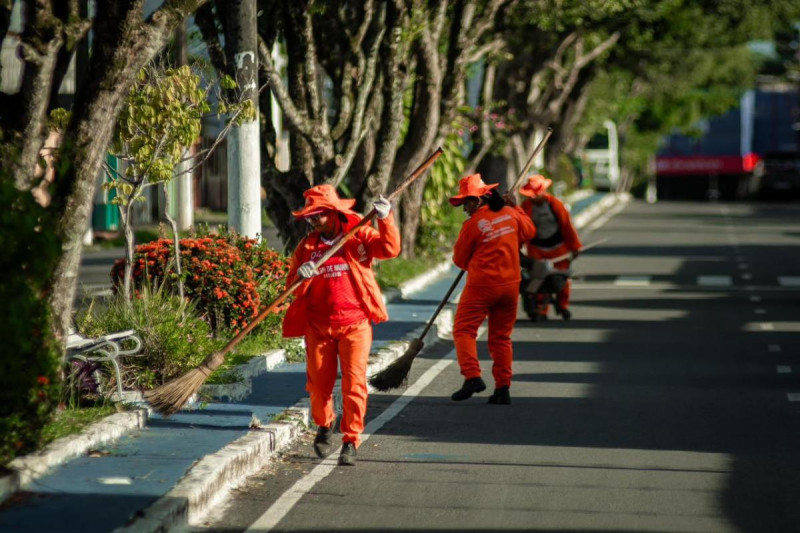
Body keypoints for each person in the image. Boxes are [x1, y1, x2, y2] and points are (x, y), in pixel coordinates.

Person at [282, 184, 400, 466]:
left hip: (355, 325)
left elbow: (389, 249)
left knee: (354, 384)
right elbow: (291, 289)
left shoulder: (358, 235)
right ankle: (324, 426)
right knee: (319, 386)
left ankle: (351, 439)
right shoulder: (307, 247)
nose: (313, 221)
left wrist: (386, 219)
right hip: (318, 327)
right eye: (310, 217)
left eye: (318, 215)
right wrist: (302, 275)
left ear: (334, 213)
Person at [449, 173, 536, 405]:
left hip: (481, 287)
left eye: (466, 202)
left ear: (478, 201)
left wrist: (475, 262)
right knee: (501, 337)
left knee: (464, 331)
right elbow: (529, 233)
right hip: (510, 286)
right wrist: (516, 208)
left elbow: (459, 260)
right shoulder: (511, 214)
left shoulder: (472, 225)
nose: (464, 208)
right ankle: (502, 388)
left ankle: (472, 376)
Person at [519, 174, 582, 320]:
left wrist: (575, 247)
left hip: (558, 247)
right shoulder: (526, 207)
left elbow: (567, 227)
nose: (534, 197)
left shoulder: (555, 204)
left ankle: (563, 305)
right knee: (538, 279)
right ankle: (542, 309)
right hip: (537, 248)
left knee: (562, 278)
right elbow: (522, 229)